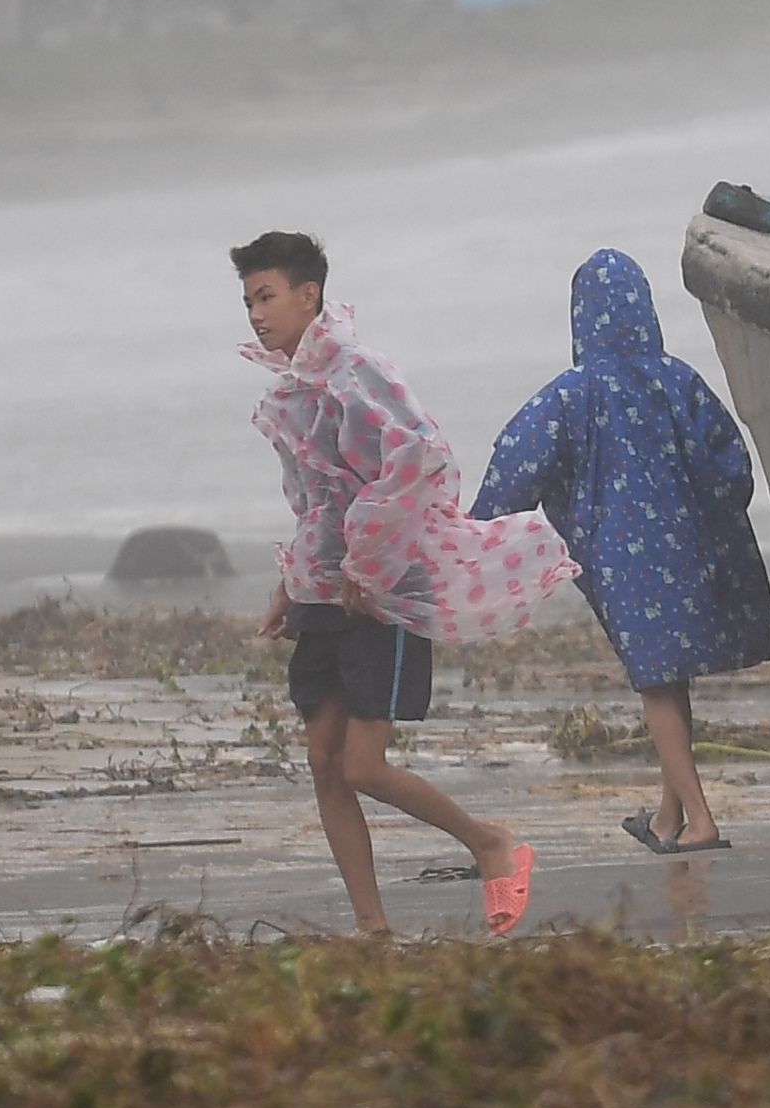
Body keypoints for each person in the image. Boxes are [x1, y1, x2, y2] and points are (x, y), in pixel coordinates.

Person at [233, 229, 564, 937]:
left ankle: (491, 844)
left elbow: (418, 458)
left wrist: (369, 562)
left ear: (308, 294)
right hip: (329, 592)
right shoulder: (297, 390)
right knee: (323, 761)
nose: (256, 314)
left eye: (266, 297)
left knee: (363, 765)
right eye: (248, 301)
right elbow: (317, 499)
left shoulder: (358, 370)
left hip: (381, 590)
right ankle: (373, 927)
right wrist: (293, 584)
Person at [473, 248, 770, 854]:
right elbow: (732, 465)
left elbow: (517, 464)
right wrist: (711, 519)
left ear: (581, 318)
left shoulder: (571, 396)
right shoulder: (678, 379)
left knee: (656, 684)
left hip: (624, 564)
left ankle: (701, 819)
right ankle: (667, 819)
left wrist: (474, 532)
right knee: (670, 679)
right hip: (692, 551)